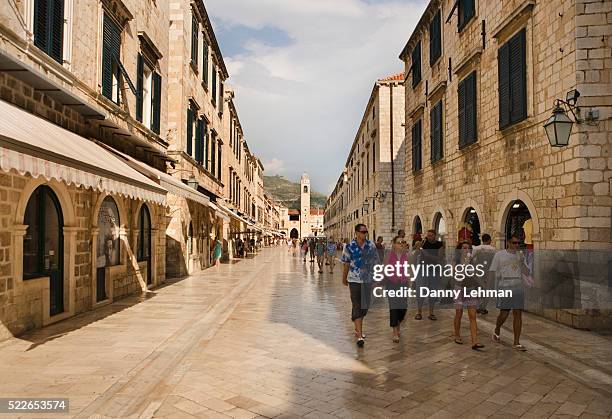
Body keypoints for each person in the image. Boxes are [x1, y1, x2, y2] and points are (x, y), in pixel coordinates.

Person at [341, 224, 379, 348]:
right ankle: (359, 335)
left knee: (365, 306)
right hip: (354, 280)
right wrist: (344, 278)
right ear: (356, 232)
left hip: (368, 279)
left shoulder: (371, 246)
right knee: (357, 304)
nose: (365, 234)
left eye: (366, 232)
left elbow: (376, 263)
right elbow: (346, 263)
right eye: (362, 232)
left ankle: (356, 322)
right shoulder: (349, 246)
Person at [490, 233, 528, 351]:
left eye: (518, 243)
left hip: (518, 286)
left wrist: (522, 262)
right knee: (504, 313)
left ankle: (516, 342)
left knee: (518, 313)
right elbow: (492, 271)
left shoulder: (520, 255)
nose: (516, 245)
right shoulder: (499, 255)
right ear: (509, 243)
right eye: (514, 243)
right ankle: (497, 329)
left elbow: (526, 272)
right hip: (504, 286)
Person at [452, 241, 484, 350]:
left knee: (472, 316)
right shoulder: (455, 261)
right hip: (459, 289)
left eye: (468, 248)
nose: (466, 250)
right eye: (464, 248)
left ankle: (474, 341)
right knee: (459, 314)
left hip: (470, 290)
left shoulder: (473, 261)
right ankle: (457, 335)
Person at [384, 236, 410, 343]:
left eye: (403, 242)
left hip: (403, 284)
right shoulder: (389, 255)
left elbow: (409, 268)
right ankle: (395, 331)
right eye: (399, 242)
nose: (401, 244)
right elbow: (385, 269)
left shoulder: (405, 255)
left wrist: (408, 279)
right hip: (392, 284)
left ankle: (398, 323)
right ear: (394, 244)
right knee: (394, 307)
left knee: (403, 308)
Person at [415, 230, 444, 321]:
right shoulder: (424, 243)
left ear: (435, 236)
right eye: (428, 235)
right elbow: (416, 254)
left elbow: (440, 258)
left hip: (434, 270)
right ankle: (419, 312)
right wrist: (418, 248)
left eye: (431, 235)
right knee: (421, 291)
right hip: (422, 269)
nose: (429, 237)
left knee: (432, 291)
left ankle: (431, 313)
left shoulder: (439, 245)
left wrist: (428, 255)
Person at [472, 233, 497, 314]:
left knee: (479, 289)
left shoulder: (477, 248)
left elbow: (471, 258)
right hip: (490, 272)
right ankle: (483, 307)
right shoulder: (494, 249)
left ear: (482, 240)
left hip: (479, 270)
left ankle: (479, 306)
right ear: (489, 240)